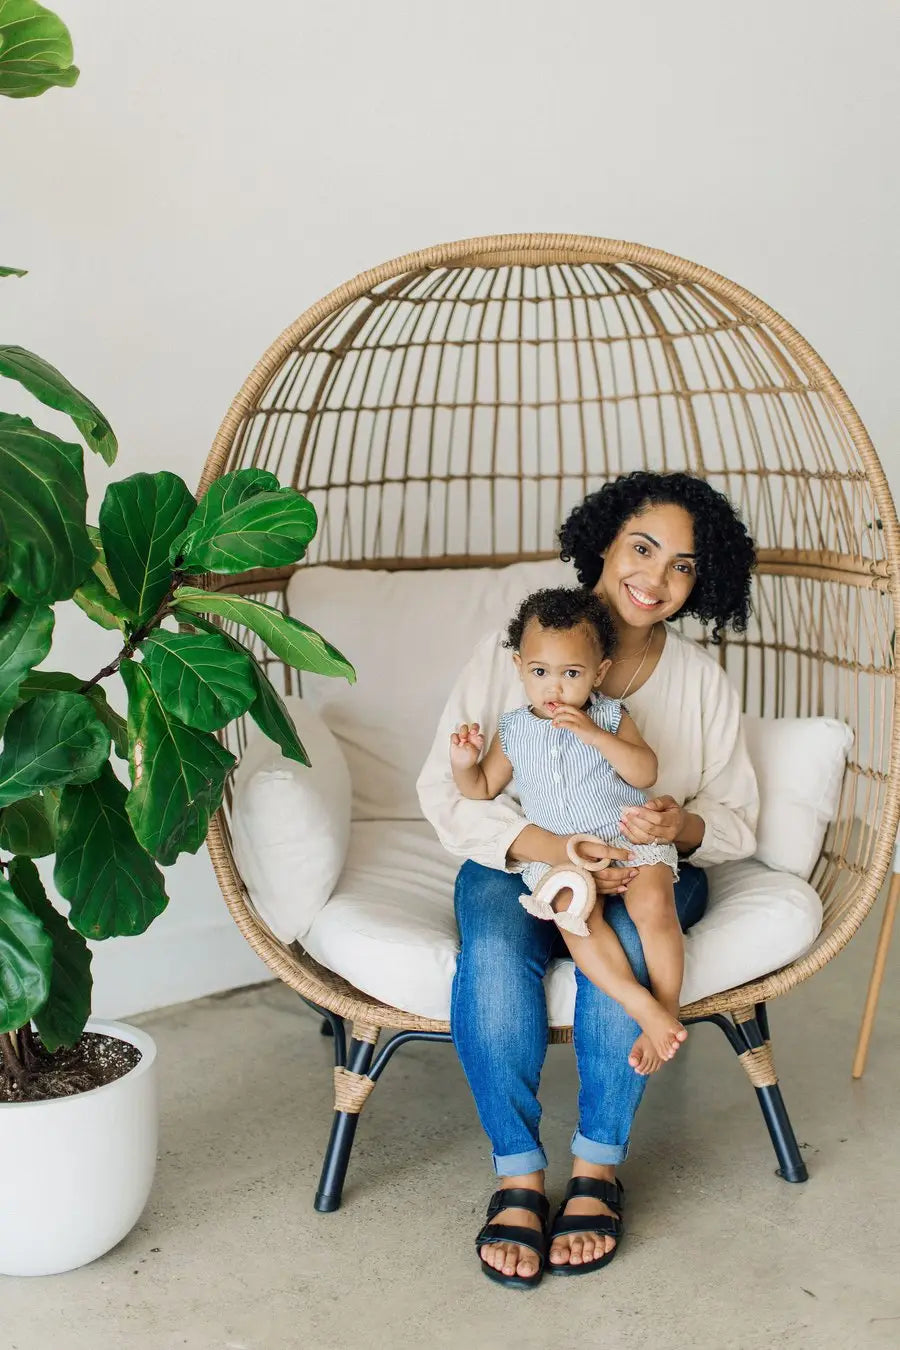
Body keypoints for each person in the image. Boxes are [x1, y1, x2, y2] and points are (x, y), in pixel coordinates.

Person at [417, 470, 759, 1290]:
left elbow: (737, 822)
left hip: (643, 865)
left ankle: (598, 1166)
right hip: (523, 856)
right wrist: (557, 848)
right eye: (643, 548)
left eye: (683, 565)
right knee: (496, 951)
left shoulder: (701, 682)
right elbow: (451, 790)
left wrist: (671, 826)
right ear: (604, 542)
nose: (656, 577)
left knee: (637, 940)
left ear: (699, 582)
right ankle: (519, 1176)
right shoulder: (520, 650)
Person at [449, 586, 685, 1074]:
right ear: (519, 666)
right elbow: (483, 788)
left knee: (655, 907)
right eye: (540, 672)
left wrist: (595, 734)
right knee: (573, 918)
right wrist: (462, 763)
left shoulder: (610, 715)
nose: (554, 688)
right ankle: (641, 1006)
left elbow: (645, 773)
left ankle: (666, 1008)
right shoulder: (513, 729)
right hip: (559, 859)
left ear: (598, 672)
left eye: (571, 674)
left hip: (627, 840)